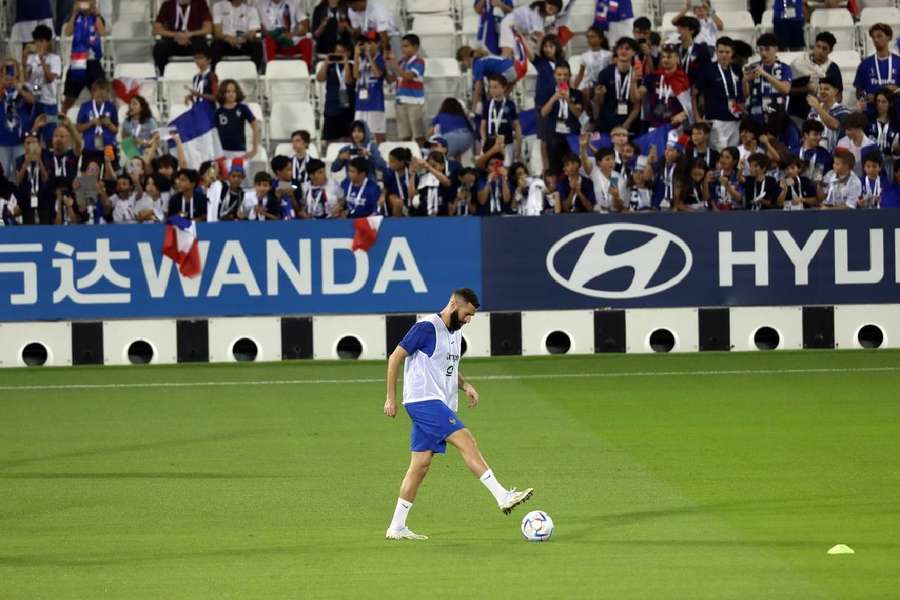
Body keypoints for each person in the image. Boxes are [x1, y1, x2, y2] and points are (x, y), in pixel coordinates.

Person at [383, 288, 534, 541]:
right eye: (467, 314)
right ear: (454, 304)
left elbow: (447, 369)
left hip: (436, 401)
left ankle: (396, 527)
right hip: (423, 400)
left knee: (420, 465)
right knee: (465, 438)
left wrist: (465, 386)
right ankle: (502, 496)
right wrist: (390, 397)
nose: (468, 320)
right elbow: (395, 357)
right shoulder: (426, 328)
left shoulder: (455, 333)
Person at [789, 32, 841, 131]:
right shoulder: (798, 64)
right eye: (818, 46)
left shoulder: (832, 69)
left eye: (824, 48)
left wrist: (824, 101)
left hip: (821, 117)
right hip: (797, 116)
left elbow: (839, 96)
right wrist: (806, 89)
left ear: (830, 51)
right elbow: (788, 90)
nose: (820, 51)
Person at [697, 37, 743, 150]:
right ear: (716, 52)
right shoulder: (708, 69)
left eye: (727, 52)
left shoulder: (737, 69)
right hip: (716, 121)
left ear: (732, 53)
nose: (724, 55)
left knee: (733, 156)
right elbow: (695, 93)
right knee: (719, 156)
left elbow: (741, 92)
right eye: (721, 52)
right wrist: (697, 116)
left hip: (735, 120)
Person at [743, 33, 791, 137]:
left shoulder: (784, 68)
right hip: (756, 117)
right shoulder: (752, 67)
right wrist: (745, 80)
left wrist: (765, 74)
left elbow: (785, 90)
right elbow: (746, 94)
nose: (763, 53)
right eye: (761, 50)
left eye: (767, 49)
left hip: (777, 116)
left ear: (775, 49)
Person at [61, 0, 105, 113]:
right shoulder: (75, 17)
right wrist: (74, 13)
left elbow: (102, 32)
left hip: (93, 61)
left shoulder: (97, 17)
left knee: (99, 95)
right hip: (78, 61)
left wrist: (97, 14)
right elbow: (68, 32)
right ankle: (62, 120)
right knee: (69, 98)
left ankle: (97, 120)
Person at [541, 62, 583, 176]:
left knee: (573, 169)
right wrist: (554, 98)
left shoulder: (577, 94)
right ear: (554, 75)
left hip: (572, 136)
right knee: (555, 170)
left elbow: (579, 114)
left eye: (565, 75)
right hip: (554, 136)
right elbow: (543, 113)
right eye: (559, 75)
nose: (562, 78)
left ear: (569, 76)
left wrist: (569, 100)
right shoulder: (548, 92)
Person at [593, 37, 640, 135]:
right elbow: (599, 103)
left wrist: (633, 83)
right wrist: (599, 95)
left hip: (628, 122)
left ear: (634, 52)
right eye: (621, 48)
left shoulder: (638, 74)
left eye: (627, 48)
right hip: (607, 121)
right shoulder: (605, 73)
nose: (623, 51)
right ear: (616, 51)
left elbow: (636, 103)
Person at [152, 0, 213, 76]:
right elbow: (156, 30)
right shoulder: (167, 4)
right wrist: (176, 35)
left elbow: (208, 29)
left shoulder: (200, 3)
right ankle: (160, 76)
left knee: (205, 48)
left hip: (193, 39)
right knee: (159, 48)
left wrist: (190, 34)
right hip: (173, 39)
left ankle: (205, 76)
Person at [387, 34, 427, 146]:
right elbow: (391, 79)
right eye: (402, 46)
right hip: (400, 102)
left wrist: (395, 67)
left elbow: (409, 77)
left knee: (419, 135)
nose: (403, 49)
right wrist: (388, 66)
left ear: (415, 47)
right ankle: (407, 158)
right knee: (405, 136)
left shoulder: (419, 61)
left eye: (406, 46)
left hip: (414, 102)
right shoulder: (401, 62)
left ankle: (423, 156)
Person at [26, 25, 62, 145]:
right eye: (37, 41)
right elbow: (26, 78)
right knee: (32, 136)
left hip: (50, 104)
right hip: (35, 101)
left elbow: (50, 79)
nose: (39, 44)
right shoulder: (31, 58)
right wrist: (25, 58)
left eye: (42, 41)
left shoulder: (55, 59)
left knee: (50, 138)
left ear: (48, 42)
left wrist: (42, 61)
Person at [854, 23, 900, 117]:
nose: (876, 40)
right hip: (871, 114)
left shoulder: (898, 62)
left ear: (889, 37)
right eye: (873, 37)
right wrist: (864, 97)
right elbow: (859, 91)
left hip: (895, 114)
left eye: (879, 36)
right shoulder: (865, 64)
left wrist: (896, 90)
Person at [317, 38, 356, 144]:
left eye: (342, 52)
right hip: (331, 106)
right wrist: (326, 63)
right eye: (337, 52)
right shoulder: (330, 66)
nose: (339, 55)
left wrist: (346, 63)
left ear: (348, 52)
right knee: (330, 140)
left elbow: (349, 81)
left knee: (348, 138)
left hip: (347, 107)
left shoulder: (352, 66)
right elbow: (320, 78)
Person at [498, 0, 562, 60]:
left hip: (517, 32)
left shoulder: (542, 18)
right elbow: (540, 35)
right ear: (546, 3)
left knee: (515, 57)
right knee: (507, 52)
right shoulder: (536, 11)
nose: (551, 12)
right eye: (551, 8)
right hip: (509, 25)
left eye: (554, 12)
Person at [211, 0, 264, 73]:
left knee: (258, 46)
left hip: (244, 41)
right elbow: (217, 32)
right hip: (226, 41)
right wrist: (228, 38)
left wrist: (243, 38)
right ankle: (215, 75)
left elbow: (253, 32)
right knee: (215, 45)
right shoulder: (218, 6)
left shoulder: (251, 9)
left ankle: (253, 74)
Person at [352, 36, 387, 144]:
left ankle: (380, 155)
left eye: (370, 43)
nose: (366, 46)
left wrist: (369, 56)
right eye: (364, 44)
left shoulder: (380, 58)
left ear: (377, 44)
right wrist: (356, 55)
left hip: (375, 102)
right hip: (361, 102)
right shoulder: (361, 60)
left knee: (378, 133)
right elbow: (356, 75)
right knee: (359, 132)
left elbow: (377, 74)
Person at [215, 79, 260, 162]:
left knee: (239, 174)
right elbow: (214, 132)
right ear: (223, 93)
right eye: (228, 91)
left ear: (237, 93)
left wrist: (254, 150)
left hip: (239, 152)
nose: (231, 94)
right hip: (222, 151)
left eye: (233, 91)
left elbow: (255, 125)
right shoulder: (218, 111)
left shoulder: (243, 108)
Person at [481, 74, 520, 166]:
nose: (492, 90)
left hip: (507, 143)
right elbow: (483, 125)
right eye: (490, 87)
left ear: (504, 88)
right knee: (489, 167)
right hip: (490, 143)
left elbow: (516, 125)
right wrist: (483, 140)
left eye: (495, 87)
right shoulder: (487, 104)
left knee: (506, 167)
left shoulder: (510, 104)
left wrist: (519, 144)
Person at [257, 0, 311, 65]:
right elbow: (258, 27)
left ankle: (307, 71)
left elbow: (305, 25)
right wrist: (273, 34)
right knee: (268, 41)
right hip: (273, 40)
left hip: (291, 40)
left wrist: (292, 34)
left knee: (307, 42)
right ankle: (270, 70)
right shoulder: (260, 5)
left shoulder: (293, 3)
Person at [75, 79, 117, 157]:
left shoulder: (111, 107)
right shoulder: (85, 106)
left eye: (102, 92)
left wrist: (109, 124)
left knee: (110, 168)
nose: (99, 94)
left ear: (107, 93)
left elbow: (116, 130)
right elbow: (78, 128)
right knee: (89, 168)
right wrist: (90, 123)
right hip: (89, 148)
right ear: (92, 92)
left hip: (109, 147)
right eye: (96, 91)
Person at [807, 77, 849, 153]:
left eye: (826, 89)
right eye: (821, 89)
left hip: (834, 157)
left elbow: (834, 125)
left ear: (836, 91)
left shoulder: (843, 111)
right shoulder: (813, 111)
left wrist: (818, 107)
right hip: (815, 155)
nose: (822, 92)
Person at [836, 112, 877, 178]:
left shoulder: (871, 146)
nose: (846, 133)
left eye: (849, 130)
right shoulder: (842, 143)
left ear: (859, 128)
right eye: (845, 129)